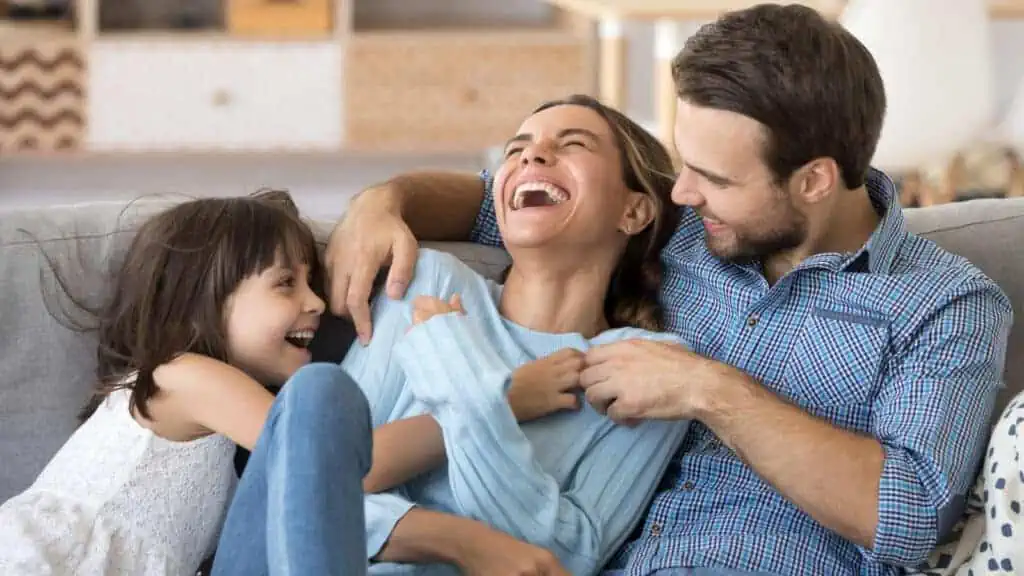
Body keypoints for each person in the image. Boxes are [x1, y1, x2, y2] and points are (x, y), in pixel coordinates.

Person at [324, 5, 1014, 576]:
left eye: (712, 178)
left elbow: (906, 516)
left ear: (814, 181)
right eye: (682, 165)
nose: (681, 192)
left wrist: (708, 390)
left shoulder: (944, 304)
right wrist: (385, 201)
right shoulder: (682, 226)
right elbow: (502, 204)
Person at [213, 93, 690, 576]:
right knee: (317, 394)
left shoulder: (646, 368)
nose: (532, 155)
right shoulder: (432, 282)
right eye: (516, 149)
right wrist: (461, 540)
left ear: (633, 212)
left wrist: (463, 382)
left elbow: (561, 558)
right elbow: (319, 485)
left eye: (573, 144)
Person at [0, 191, 374, 576]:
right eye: (285, 283)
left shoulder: (216, 425)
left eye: (310, 281)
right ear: (202, 301)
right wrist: (437, 413)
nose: (317, 303)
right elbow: (328, 458)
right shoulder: (183, 377)